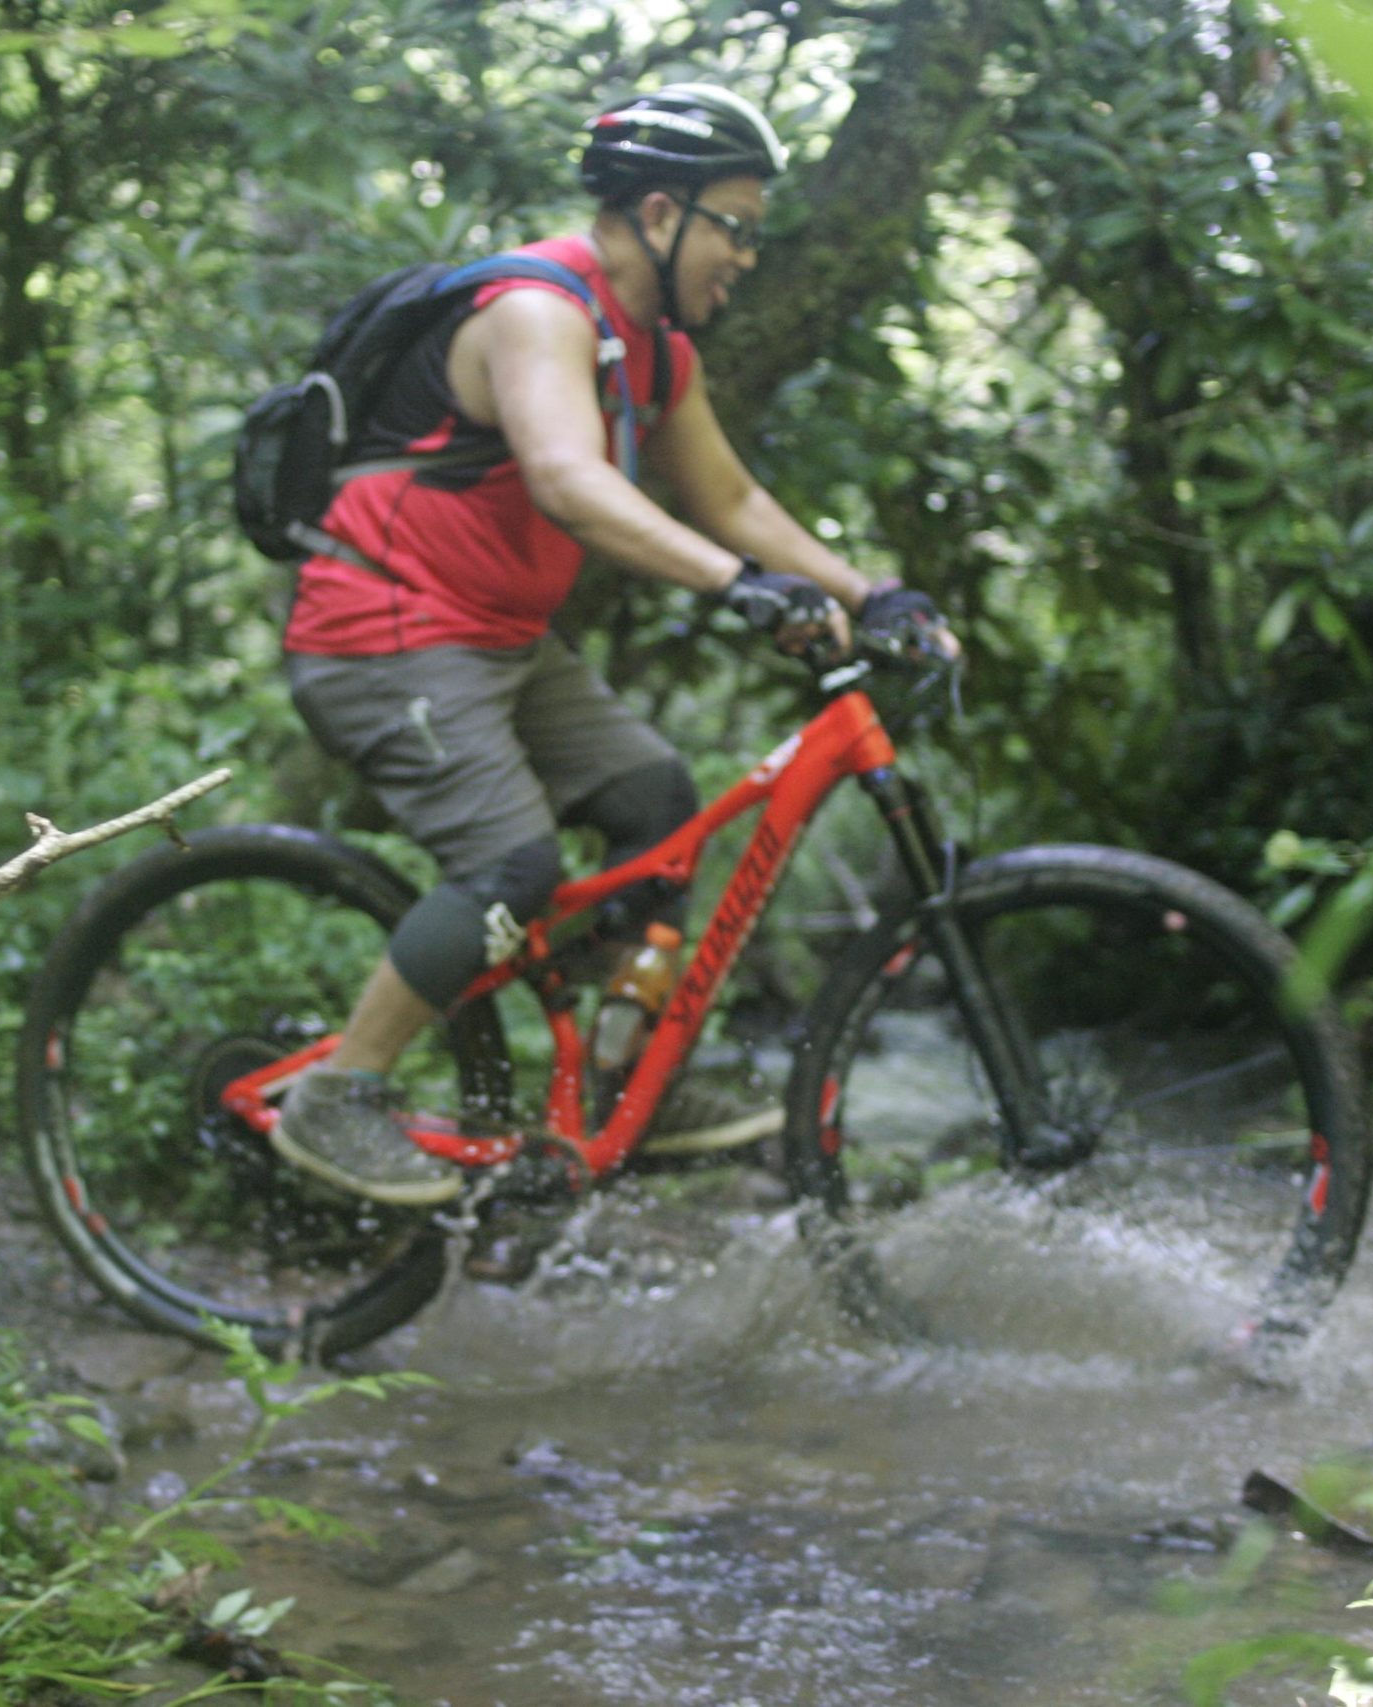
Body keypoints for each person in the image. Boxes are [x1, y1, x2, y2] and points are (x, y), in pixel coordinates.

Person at [273, 83, 951, 1205]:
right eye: (733, 225)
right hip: (384, 633)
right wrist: (742, 589)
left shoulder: (657, 353)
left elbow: (730, 498)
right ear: (655, 213)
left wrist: (871, 590)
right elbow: (567, 479)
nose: (747, 254)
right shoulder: (538, 311)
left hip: (493, 639)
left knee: (653, 803)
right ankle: (337, 1093)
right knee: (512, 866)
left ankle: (634, 1082)